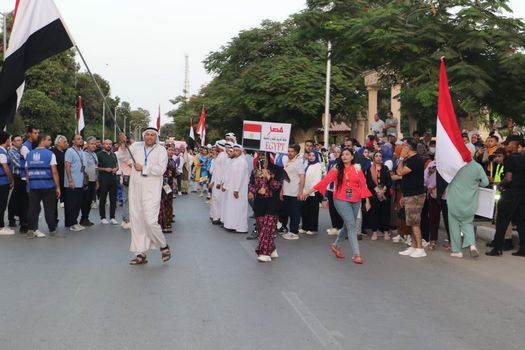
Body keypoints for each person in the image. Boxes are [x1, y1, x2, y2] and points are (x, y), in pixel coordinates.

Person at [304, 148, 372, 264]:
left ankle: (335, 245)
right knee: (351, 225)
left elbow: (363, 185)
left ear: (352, 157)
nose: (344, 156)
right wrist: (308, 192)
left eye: (347, 154)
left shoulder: (357, 169)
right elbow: (324, 181)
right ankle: (357, 255)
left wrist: (367, 200)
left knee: (348, 224)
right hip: (340, 199)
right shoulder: (336, 169)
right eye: (343, 155)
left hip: (356, 199)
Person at [117, 127, 171, 265]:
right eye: (147, 134)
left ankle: (163, 246)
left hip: (151, 191)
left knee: (150, 221)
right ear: (144, 135)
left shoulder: (161, 150)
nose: (149, 137)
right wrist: (123, 145)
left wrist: (144, 168)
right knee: (137, 221)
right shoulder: (135, 146)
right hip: (135, 189)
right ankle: (140, 254)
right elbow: (122, 157)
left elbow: (161, 169)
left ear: (156, 137)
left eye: (152, 135)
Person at [486, 135, 525, 257]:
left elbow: (508, 178)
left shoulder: (509, 159)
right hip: (522, 193)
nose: (507, 146)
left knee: (502, 220)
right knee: (521, 221)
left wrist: (500, 186)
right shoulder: (523, 158)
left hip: (510, 193)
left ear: (515, 146)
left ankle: (497, 248)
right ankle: (523, 249)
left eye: (509, 144)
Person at [447, 158, 489, 258]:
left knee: (454, 226)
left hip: (455, 200)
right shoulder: (477, 167)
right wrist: (475, 183)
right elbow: (485, 183)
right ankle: (472, 245)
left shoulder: (456, 164)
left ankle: (457, 251)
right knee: (468, 223)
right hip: (470, 202)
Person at [25, 134, 61, 238]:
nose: (50, 142)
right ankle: (52, 231)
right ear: (42, 141)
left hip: (34, 186)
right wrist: (57, 187)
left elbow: (27, 171)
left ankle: (30, 231)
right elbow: (54, 172)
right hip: (48, 186)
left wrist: (29, 184)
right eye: (49, 140)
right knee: (49, 210)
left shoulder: (30, 154)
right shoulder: (50, 154)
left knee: (32, 209)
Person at [248, 152, 283, 262]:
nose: (262, 159)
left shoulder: (276, 170)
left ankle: (264, 252)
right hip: (259, 203)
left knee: (267, 229)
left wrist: (268, 176)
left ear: (268, 158)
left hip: (272, 203)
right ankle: (271, 249)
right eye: (260, 157)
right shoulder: (255, 171)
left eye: (264, 157)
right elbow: (251, 185)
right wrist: (256, 191)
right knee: (261, 227)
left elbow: (277, 186)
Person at [396, 138, 427, 258]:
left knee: (415, 222)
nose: (402, 148)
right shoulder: (411, 159)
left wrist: (401, 158)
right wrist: (404, 195)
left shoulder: (416, 160)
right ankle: (414, 246)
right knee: (411, 222)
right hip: (409, 194)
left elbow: (400, 172)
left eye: (403, 145)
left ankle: (420, 248)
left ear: (408, 147)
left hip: (415, 195)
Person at [222, 144, 249, 233]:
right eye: (234, 150)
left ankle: (240, 227)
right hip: (232, 188)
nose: (235, 152)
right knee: (233, 208)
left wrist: (237, 189)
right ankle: (232, 225)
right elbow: (230, 175)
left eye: (237, 150)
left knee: (239, 208)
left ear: (241, 152)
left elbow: (240, 177)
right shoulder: (235, 161)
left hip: (239, 189)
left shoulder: (242, 161)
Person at [366, 151, 392, 240]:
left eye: (380, 156)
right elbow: (369, 181)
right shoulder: (370, 168)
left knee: (385, 213)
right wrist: (377, 191)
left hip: (385, 194)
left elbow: (389, 181)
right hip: (374, 194)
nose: (378, 158)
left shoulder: (385, 168)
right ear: (374, 158)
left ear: (382, 158)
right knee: (374, 213)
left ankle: (385, 232)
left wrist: (383, 190)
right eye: (376, 156)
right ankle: (374, 232)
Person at [280, 144, 305, 240]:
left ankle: (294, 232)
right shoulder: (286, 161)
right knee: (289, 211)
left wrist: (300, 191)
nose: (290, 153)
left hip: (295, 192)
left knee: (295, 212)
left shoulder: (299, 163)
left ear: (296, 152)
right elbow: (284, 178)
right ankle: (290, 230)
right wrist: (281, 191)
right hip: (286, 191)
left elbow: (302, 178)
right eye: (288, 151)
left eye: (292, 151)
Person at [64, 134, 86, 231]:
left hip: (80, 182)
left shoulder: (81, 151)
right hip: (72, 182)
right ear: (73, 141)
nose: (80, 140)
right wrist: (70, 180)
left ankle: (75, 221)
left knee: (78, 203)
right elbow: (67, 166)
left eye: (81, 139)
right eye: (78, 139)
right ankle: (72, 223)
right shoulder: (70, 151)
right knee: (72, 204)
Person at [299, 151, 323, 234]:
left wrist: (309, 192)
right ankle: (305, 227)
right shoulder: (308, 165)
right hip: (306, 191)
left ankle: (312, 229)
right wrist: (303, 191)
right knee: (305, 210)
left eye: (313, 155)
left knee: (313, 211)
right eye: (310, 155)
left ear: (316, 157)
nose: (311, 157)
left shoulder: (318, 165)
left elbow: (317, 181)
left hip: (313, 192)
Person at [97, 139, 119, 225]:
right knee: (103, 199)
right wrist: (105, 169)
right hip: (103, 179)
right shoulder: (99, 155)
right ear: (103, 145)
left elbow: (117, 166)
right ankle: (103, 217)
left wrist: (116, 169)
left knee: (113, 200)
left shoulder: (114, 154)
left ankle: (112, 217)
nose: (108, 145)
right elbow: (96, 167)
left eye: (110, 144)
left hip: (113, 179)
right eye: (106, 144)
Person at [7, 135, 25, 229]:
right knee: (14, 198)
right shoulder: (11, 152)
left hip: (23, 177)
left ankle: (21, 217)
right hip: (17, 177)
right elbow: (18, 163)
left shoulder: (21, 151)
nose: (20, 142)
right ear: (13, 142)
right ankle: (11, 218)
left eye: (21, 140)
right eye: (18, 140)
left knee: (22, 199)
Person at [80, 137, 98, 227]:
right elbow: (82, 167)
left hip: (93, 180)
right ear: (87, 145)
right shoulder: (83, 154)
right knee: (85, 201)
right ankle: (83, 219)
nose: (94, 145)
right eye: (92, 144)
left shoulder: (95, 154)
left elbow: (96, 168)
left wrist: (97, 181)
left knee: (90, 201)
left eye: (95, 144)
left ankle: (86, 217)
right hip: (86, 181)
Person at [325, 147, 343, 236]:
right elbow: (328, 175)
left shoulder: (343, 163)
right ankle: (334, 226)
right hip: (330, 188)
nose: (336, 153)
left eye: (338, 152)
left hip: (339, 189)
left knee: (339, 209)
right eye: (335, 152)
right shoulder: (331, 163)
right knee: (332, 208)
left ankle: (340, 227)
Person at [117, 133, 133, 229]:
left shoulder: (127, 153)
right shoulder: (124, 153)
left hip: (128, 178)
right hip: (128, 178)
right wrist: (123, 142)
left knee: (127, 199)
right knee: (128, 200)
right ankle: (127, 220)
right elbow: (134, 166)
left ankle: (125, 219)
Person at [159, 146, 176, 233]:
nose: (171, 152)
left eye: (173, 150)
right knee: (164, 202)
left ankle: (169, 219)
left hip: (170, 182)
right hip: (163, 183)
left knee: (169, 201)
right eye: (169, 150)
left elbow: (174, 172)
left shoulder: (172, 160)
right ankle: (164, 222)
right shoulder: (164, 159)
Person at [0, 131, 14, 236]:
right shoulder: (1, 152)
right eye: (9, 139)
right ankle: (1, 227)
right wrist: (11, 180)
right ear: (6, 140)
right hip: (2, 182)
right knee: (2, 204)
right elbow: (6, 168)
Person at [51, 135, 68, 225]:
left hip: (66, 181)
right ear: (58, 142)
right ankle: (53, 221)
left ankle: (69, 221)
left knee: (68, 202)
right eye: (64, 142)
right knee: (54, 202)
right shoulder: (52, 152)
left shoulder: (67, 152)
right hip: (55, 181)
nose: (66, 143)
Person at [209, 140, 226, 225]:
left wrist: (221, 182)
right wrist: (212, 182)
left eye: (216, 146)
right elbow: (215, 171)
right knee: (215, 199)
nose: (215, 148)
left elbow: (224, 172)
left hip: (219, 183)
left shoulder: (223, 156)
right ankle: (216, 217)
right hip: (215, 181)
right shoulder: (218, 156)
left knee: (219, 200)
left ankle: (219, 218)